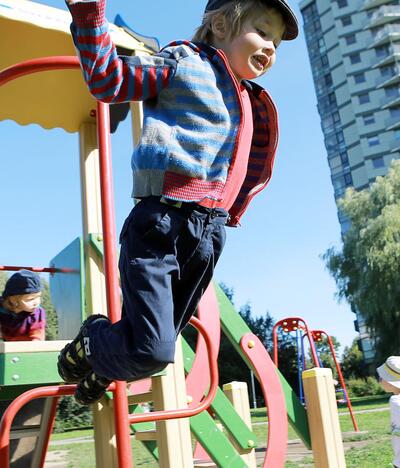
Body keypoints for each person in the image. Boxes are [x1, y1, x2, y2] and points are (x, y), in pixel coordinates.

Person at [56, 0, 299, 405]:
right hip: (162, 223)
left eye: (276, 40)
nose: (271, 45)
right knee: (154, 350)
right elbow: (109, 81)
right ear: (220, 25)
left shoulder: (247, 98)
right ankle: (94, 340)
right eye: (262, 30)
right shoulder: (184, 62)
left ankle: (100, 368)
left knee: (157, 344)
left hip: (209, 234)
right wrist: (89, 17)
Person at [0, 269, 46, 342]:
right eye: (30, 299)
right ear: (13, 300)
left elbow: (37, 335)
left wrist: (35, 343)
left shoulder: (36, 313)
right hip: (7, 345)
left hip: (26, 347)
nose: (36, 302)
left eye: (39, 297)